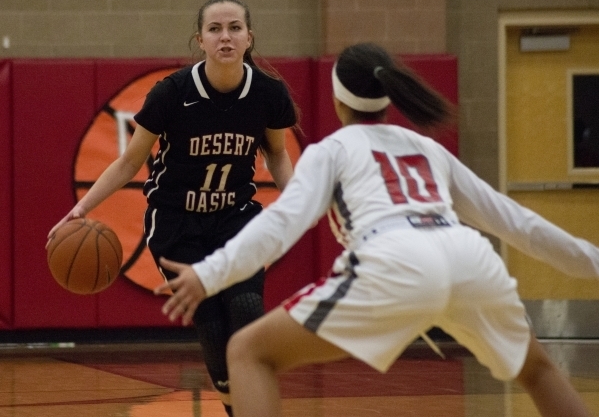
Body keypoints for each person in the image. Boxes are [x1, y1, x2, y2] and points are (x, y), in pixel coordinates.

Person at [154, 42, 599, 417]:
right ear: (388, 96)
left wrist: (208, 273)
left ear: (338, 100)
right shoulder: (428, 148)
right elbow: (516, 222)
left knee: (249, 352)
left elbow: (280, 223)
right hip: (469, 258)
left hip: (394, 257)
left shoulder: (333, 150)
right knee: (539, 370)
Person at [47, 0, 299, 417]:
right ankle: (232, 398)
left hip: (236, 218)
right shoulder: (172, 93)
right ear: (199, 40)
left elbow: (276, 153)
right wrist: (82, 208)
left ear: (249, 38)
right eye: (215, 29)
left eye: (234, 28)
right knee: (213, 323)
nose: (225, 37)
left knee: (245, 306)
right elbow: (129, 162)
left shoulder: (268, 94)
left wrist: (297, 202)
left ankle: (252, 400)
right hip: (176, 224)